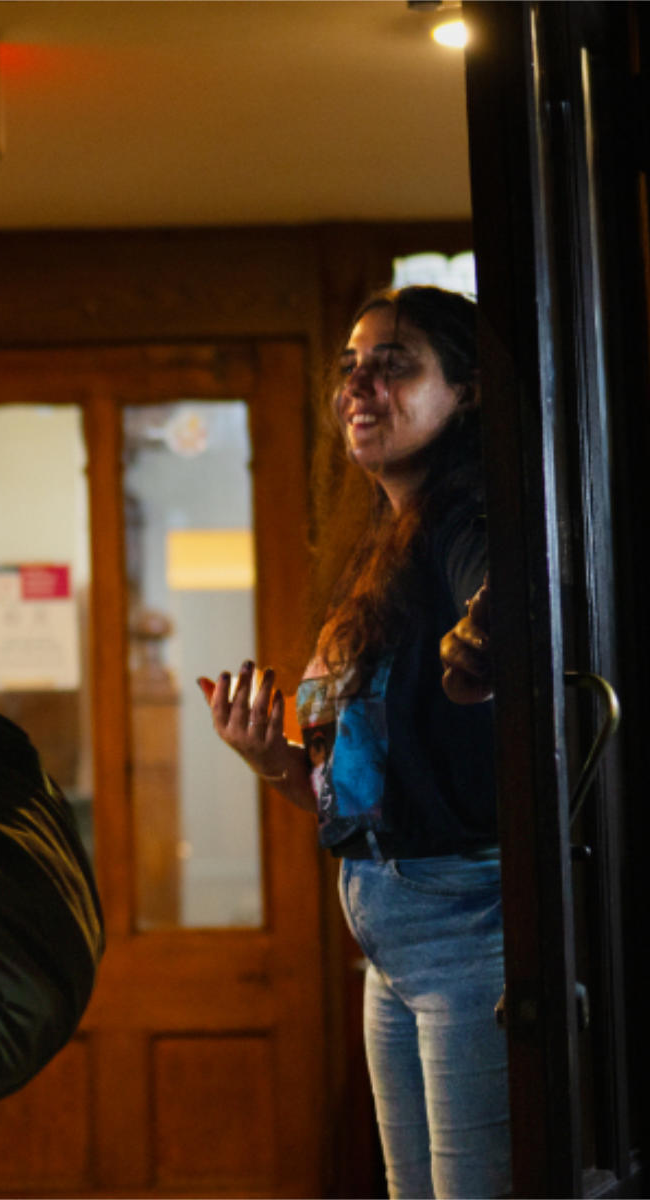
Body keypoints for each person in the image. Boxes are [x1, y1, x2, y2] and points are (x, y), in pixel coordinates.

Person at [199, 286, 507, 1199]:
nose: (360, 386)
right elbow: (359, 798)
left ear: (468, 392)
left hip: (466, 931)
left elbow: (510, 596)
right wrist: (273, 761)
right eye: (351, 366)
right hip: (388, 940)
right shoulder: (383, 542)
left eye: (395, 365)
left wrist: (489, 641)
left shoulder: (466, 522)